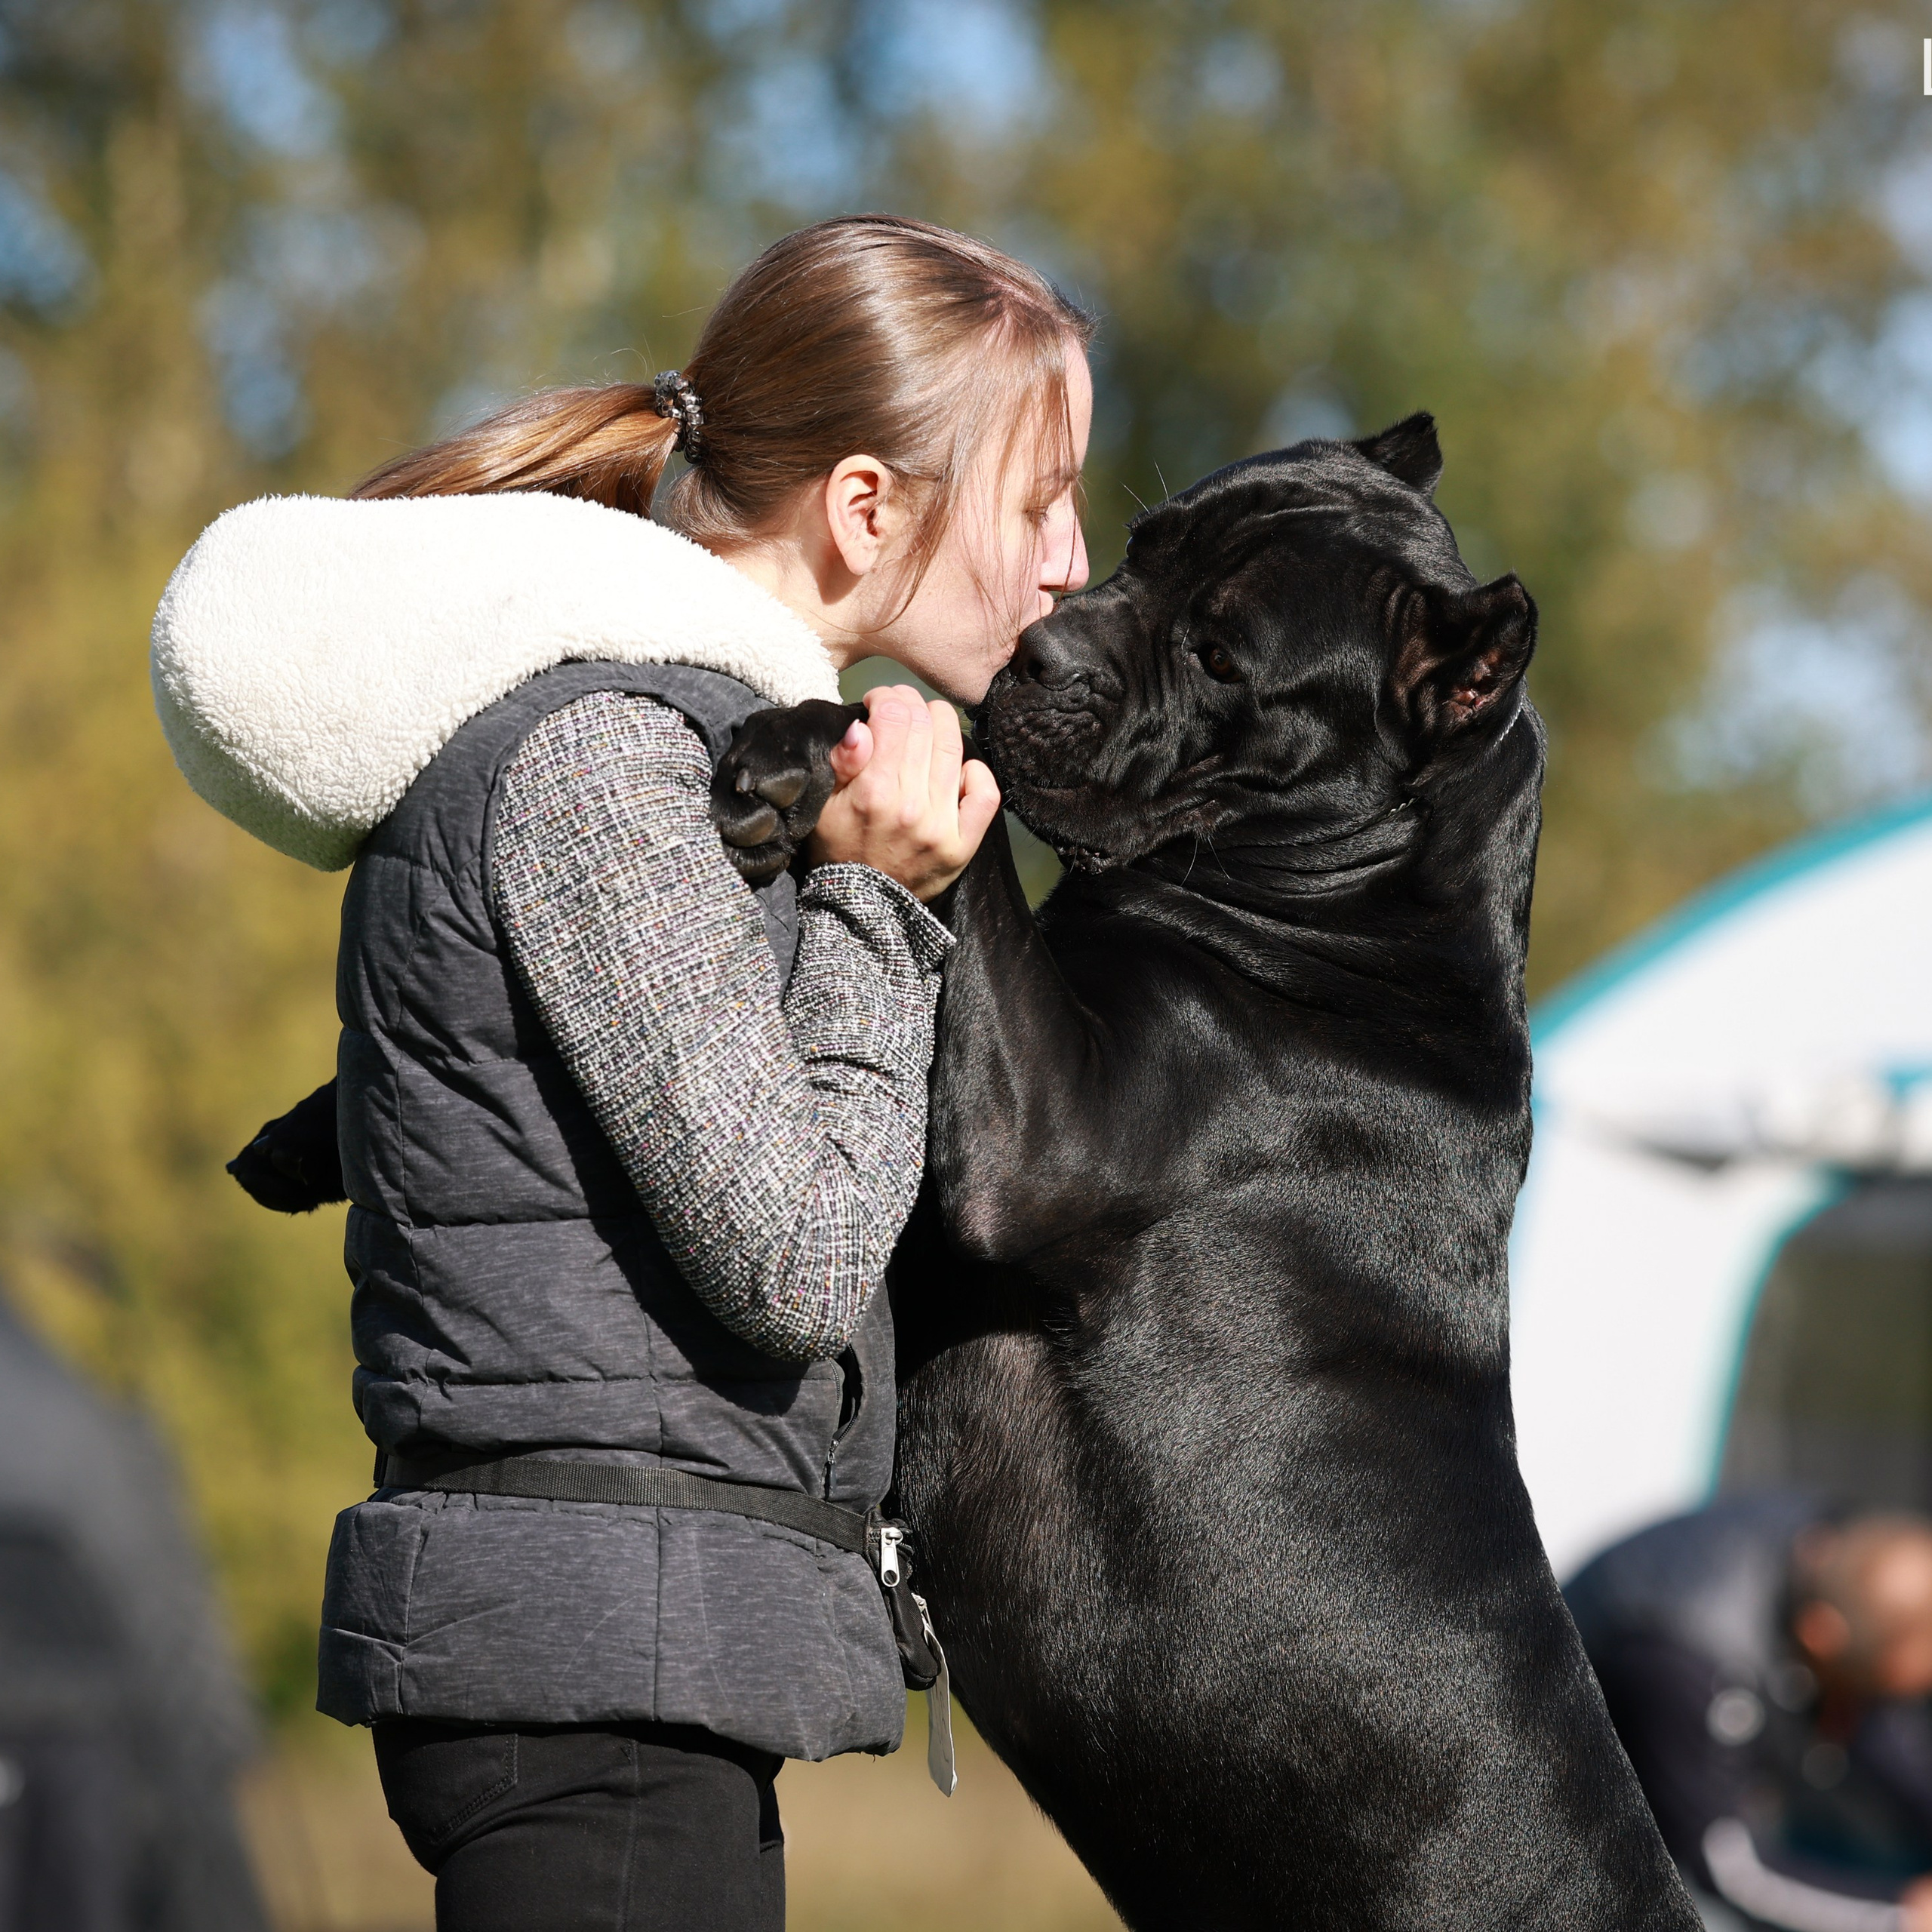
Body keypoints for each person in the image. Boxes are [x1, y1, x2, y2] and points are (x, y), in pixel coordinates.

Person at [149, 214, 1094, 1932]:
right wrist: (878, 906)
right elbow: (797, 1251)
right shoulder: (601, 760)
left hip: (630, 1669)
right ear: (867, 506)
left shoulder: (667, 757)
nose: (1068, 561)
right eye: (1036, 502)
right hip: (588, 1684)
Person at [1567, 1494, 1932, 1931]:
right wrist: (1901, 1916)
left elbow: (1888, 1736)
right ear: (1822, 1637)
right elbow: (1726, 1867)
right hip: (1570, 1802)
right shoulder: (1691, 1668)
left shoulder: (1847, 1551)